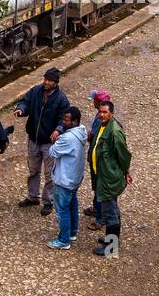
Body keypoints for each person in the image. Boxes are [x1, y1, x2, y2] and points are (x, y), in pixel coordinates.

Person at [14, 67, 70, 213]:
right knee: (33, 170)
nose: (46, 82)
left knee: (50, 174)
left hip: (49, 143)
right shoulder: (35, 91)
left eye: (49, 80)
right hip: (33, 139)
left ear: (55, 82)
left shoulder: (61, 99)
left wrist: (58, 130)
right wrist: (21, 109)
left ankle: (48, 200)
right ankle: (33, 197)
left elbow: (63, 120)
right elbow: (25, 102)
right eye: (45, 79)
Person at [90, 99, 132, 256]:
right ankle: (110, 240)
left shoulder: (114, 132)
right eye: (100, 112)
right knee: (111, 209)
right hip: (102, 176)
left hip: (109, 179)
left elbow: (124, 154)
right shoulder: (102, 126)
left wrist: (126, 171)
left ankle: (111, 248)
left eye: (105, 112)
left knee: (110, 213)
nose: (101, 115)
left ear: (111, 114)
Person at [46, 107, 88, 249]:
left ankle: (64, 240)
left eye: (66, 120)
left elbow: (52, 152)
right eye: (63, 119)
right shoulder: (81, 131)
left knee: (62, 208)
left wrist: (56, 140)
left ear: (75, 121)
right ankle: (72, 232)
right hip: (75, 177)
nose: (63, 122)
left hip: (65, 179)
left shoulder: (67, 138)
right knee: (72, 204)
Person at [85, 89, 109, 217]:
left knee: (99, 186)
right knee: (97, 185)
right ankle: (97, 208)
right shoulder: (102, 115)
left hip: (99, 159)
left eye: (94, 100)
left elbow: (91, 136)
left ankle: (101, 215)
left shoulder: (101, 119)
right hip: (96, 156)